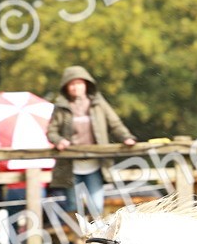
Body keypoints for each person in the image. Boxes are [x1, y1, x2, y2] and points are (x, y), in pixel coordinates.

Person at [46, 64, 136, 223]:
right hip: (70, 165)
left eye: (79, 83)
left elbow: (115, 124)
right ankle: (77, 240)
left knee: (96, 203)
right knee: (73, 204)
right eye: (72, 84)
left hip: (95, 164)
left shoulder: (98, 104)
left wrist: (126, 137)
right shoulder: (61, 108)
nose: (75, 87)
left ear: (86, 84)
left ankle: (97, 236)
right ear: (66, 87)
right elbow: (51, 131)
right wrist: (59, 141)